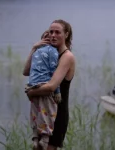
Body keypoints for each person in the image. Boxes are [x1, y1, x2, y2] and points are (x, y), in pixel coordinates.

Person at [26, 19, 76, 150]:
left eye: (57, 32)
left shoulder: (67, 57)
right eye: (51, 32)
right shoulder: (48, 53)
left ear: (66, 34)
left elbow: (51, 87)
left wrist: (30, 92)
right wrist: (35, 48)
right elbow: (26, 71)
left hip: (56, 115)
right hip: (42, 111)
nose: (53, 35)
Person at [23, 30, 62, 150]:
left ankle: (35, 138)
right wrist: (57, 91)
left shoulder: (36, 52)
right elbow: (53, 72)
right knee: (49, 112)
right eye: (49, 35)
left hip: (31, 85)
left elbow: (26, 72)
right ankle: (44, 139)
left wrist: (34, 47)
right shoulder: (53, 51)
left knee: (35, 113)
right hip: (44, 85)